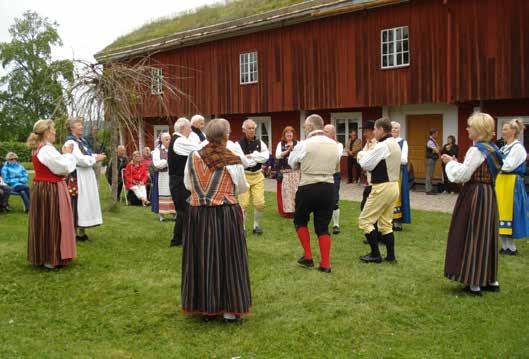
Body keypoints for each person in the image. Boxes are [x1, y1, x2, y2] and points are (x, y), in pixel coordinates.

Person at [181, 118, 251, 322]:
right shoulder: (232, 158)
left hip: (198, 214)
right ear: (226, 136)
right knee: (229, 260)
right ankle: (229, 311)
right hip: (224, 213)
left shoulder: (193, 156)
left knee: (203, 258)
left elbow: (187, 183)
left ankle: (206, 309)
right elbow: (241, 187)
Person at [442, 112, 503, 296]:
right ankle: (491, 279)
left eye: (470, 126)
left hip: (475, 194)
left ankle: (474, 282)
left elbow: (462, 175)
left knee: (472, 234)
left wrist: (451, 163)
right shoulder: (494, 150)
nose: (467, 129)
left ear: (477, 130)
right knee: (487, 234)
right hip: (489, 194)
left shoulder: (476, 150)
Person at [289, 114, 341, 273]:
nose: (304, 129)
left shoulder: (304, 145)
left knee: (300, 220)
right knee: (323, 226)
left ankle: (308, 256)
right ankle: (325, 264)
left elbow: (292, 163)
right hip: (328, 187)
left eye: (305, 126)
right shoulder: (335, 145)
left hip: (308, 186)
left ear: (310, 127)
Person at [26, 119, 77, 268]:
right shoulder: (46, 149)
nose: (55, 132)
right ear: (47, 132)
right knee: (53, 220)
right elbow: (62, 168)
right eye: (53, 129)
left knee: (43, 221)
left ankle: (43, 255)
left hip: (42, 187)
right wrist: (68, 155)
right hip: (50, 188)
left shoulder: (39, 148)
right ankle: (51, 257)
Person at [357, 118, 401, 263]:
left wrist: (361, 155)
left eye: (375, 129)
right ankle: (391, 256)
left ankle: (375, 254)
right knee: (386, 223)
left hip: (382, 186)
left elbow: (366, 164)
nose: (374, 132)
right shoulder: (394, 143)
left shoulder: (383, 145)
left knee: (365, 221)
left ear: (381, 130)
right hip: (394, 185)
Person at [64, 118, 106, 241]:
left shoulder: (82, 141)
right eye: (78, 125)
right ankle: (74, 232)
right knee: (78, 202)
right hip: (78, 176)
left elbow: (87, 154)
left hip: (87, 176)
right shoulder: (70, 143)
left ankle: (82, 232)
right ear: (72, 128)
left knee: (86, 202)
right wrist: (95, 159)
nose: (82, 127)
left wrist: (96, 156)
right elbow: (79, 160)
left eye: (82, 125)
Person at [495, 118, 529, 256]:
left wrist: (496, 160)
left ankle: (512, 247)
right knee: (501, 212)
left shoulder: (517, 148)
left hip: (512, 183)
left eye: (506, 129)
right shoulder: (504, 147)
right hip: (502, 182)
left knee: (510, 213)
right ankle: (505, 246)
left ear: (514, 131)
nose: (503, 131)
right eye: (503, 129)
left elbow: (508, 166)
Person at [234, 119, 270, 234]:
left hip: (258, 175)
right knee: (243, 203)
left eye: (253, 128)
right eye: (249, 128)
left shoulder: (260, 143)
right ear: (244, 130)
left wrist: (251, 156)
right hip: (244, 176)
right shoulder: (237, 144)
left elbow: (265, 157)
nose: (251, 130)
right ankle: (242, 227)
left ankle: (256, 225)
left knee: (260, 203)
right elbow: (241, 160)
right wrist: (255, 157)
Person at [168, 117, 199, 247]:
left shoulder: (178, 140)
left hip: (179, 179)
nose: (191, 131)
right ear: (183, 128)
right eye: (189, 128)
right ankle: (178, 240)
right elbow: (197, 149)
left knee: (185, 210)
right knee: (183, 210)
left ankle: (182, 239)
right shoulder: (179, 141)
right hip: (178, 180)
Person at [274, 126, 300, 218]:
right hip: (284, 172)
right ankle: (285, 212)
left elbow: (300, 156)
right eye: (287, 132)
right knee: (283, 193)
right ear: (284, 135)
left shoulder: (298, 144)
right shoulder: (280, 144)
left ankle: (295, 211)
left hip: (295, 172)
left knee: (295, 193)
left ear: (293, 134)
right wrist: (288, 150)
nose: (289, 134)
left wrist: (293, 149)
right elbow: (277, 156)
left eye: (291, 132)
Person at [323, 124, 344, 234]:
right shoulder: (320, 144)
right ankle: (324, 223)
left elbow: (336, 157)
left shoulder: (339, 145)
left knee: (334, 199)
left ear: (333, 133)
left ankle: (336, 224)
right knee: (323, 200)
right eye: (324, 131)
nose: (324, 133)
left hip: (334, 174)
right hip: (322, 174)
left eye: (326, 131)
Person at [391, 122, 411, 231]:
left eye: (397, 128)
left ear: (400, 130)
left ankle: (397, 222)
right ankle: (387, 221)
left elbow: (404, 160)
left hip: (399, 173)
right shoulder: (386, 141)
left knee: (398, 195)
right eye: (393, 128)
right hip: (387, 172)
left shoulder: (403, 142)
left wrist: (391, 159)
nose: (395, 130)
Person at [152, 133, 176, 221]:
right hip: (162, 175)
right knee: (163, 194)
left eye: (170, 139)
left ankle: (174, 214)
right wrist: (167, 161)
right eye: (167, 139)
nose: (169, 141)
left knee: (172, 193)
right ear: (161, 140)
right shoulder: (157, 150)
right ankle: (162, 215)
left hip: (172, 174)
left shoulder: (173, 149)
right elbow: (157, 164)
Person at [425, 128, 441, 195]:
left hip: (432, 159)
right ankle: (428, 190)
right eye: (436, 133)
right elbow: (437, 150)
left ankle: (430, 188)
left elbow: (438, 149)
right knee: (429, 175)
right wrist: (436, 149)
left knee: (431, 175)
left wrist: (436, 149)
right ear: (433, 133)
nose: (437, 135)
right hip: (430, 159)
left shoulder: (433, 140)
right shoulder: (430, 141)